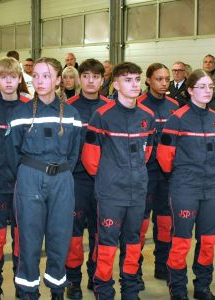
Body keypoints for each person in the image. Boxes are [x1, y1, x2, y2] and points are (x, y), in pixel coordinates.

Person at [5, 57, 82, 300]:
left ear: (59, 80)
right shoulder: (20, 112)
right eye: (36, 76)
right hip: (30, 176)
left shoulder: (71, 114)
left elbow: (74, 152)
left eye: (46, 75)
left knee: (61, 235)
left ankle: (57, 289)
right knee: (29, 237)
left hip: (62, 178)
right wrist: (30, 173)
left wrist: (59, 172)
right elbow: (12, 153)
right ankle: (28, 291)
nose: (40, 81)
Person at [82, 62, 155, 300]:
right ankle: (104, 290)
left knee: (134, 243)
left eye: (136, 79)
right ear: (115, 84)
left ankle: (130, 291)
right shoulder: (101, 116)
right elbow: (90, 159)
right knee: (106, 244)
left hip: (138, 192)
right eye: (127, 80)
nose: (134, 85)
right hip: (111, 193)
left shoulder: (148, 116)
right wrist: (111, 177)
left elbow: (147, 153)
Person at [157, 69, 215, 300]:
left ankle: (203, 286)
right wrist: (181, 176)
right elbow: (165, 158)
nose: (206, 91)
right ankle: (177, 289)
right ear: (190, 91)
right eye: (201, 87)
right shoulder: (177, 119)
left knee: (208, 240)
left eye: (210, 87)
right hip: (185, 187)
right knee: (181, 240)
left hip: (211, 188)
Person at [0, 57, 31, 300]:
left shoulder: (31, 107)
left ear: (20, 79)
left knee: (22, 237)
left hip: (25, 184)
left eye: (13, 77)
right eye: (4, 77)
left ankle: (22, 286)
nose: (9, 81)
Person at [64, 59, 110, 299]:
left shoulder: (111, 107)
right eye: (86, 76)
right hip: (76, 179)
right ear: (79, 79)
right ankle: (72, 280)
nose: (91, 81)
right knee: (73, 232)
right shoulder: (68, 108)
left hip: (104, 180)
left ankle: (96, 274)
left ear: (103, 80)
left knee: (100, 231)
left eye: (96, 77)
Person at [136, 62, 178, 282]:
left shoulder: (174, 106)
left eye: (167, 79)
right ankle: (135, 269)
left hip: (168, 174)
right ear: (148, 80)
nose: (164, 83)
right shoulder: (138, 104)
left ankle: (162, 265)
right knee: (140, 224)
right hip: (145, 173)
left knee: (165, 222)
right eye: (159, 79)